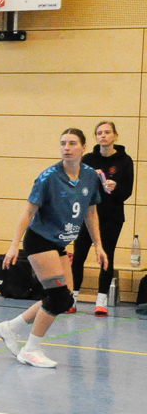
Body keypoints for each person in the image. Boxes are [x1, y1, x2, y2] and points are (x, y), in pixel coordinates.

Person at [0, 128, 107, 368]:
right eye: (63, 143)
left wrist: (99, 245)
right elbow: (28, 212)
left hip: (59, 242)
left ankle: (11, 327)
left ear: (83, 147)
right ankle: (30, 349)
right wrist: (14, 245)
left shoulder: (90, 176)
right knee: (57, 296)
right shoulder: (48, 177)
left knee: (66, 299)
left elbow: (90, 213)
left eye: (72, 143)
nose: (67, 148)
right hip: (40, 240)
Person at [70, 121, 135, 316]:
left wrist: (115, 188)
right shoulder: (88, 159)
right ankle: (71, 299)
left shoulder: (125, 160)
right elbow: (76, 186)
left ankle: (101, 301)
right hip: (87, 215)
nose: (103, 136)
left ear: (115, 136)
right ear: (95, 137)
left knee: (106, 256)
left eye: (107, 132)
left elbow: (127, 191)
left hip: (111, 217)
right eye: (99, 133)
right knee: (78, 256)